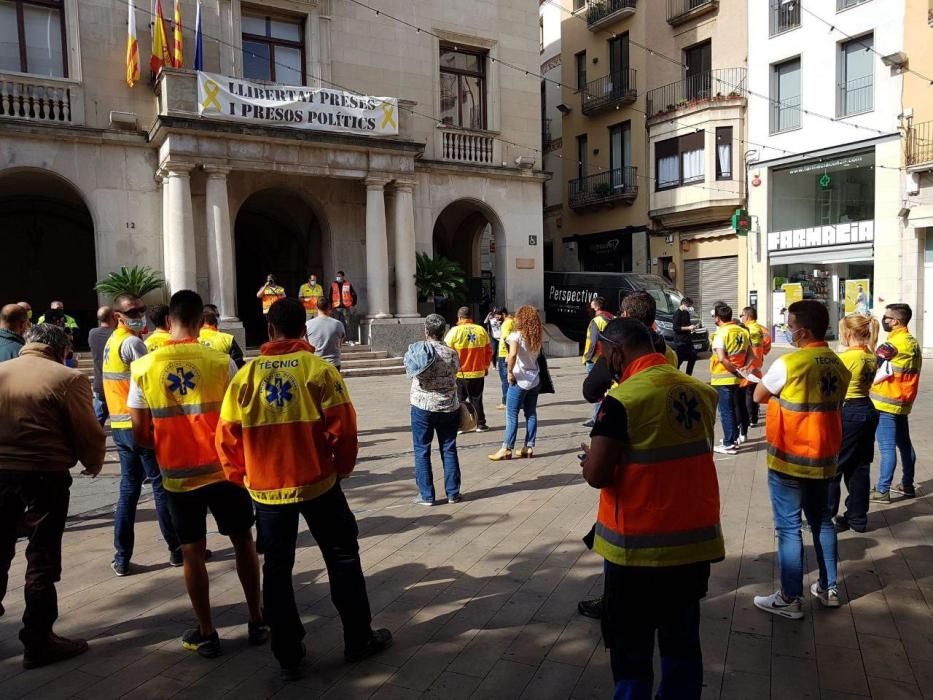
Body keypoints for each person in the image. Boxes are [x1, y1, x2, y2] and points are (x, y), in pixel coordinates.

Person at [217, 298, 391, 681]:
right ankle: (358, 639)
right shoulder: (319, 370)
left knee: (277, 572)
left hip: (266, 492)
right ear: (304, 329)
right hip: (318, 485)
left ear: (269, 330)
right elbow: (345, 429)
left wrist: (241, 477)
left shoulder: (245, 377)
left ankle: (288, 655)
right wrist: (341, 470)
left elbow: (225, 437)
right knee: (343, 557)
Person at [580, 317, 724, 699]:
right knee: (682, 643)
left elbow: (597, 475)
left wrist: (587, 462)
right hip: (693, 543)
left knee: (631, 650)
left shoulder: (623, 399)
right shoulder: (700, 390)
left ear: (616, 352)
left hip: (637, 549)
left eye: (603, 354)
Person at [128, 290, 267, 657]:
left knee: (192, 552)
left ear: (169, 319)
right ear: (201, 319)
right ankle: (257, 618)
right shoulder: (221, 361)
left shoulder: (144, 366)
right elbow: (241, 418)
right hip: (224, 472)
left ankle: (207, 630)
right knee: (244, 543)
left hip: (177, 476)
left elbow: (140, 434)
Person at [0, 324, 106, 669]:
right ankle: (38, 639)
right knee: (42, 558)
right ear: (62, 348)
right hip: (43, 475)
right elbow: (87, 429)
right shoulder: (67, 378)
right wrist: (92, 461)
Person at [753, 300, 849, 619]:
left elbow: (759, 396)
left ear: (803, 330)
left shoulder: (790, 363)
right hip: (824, 458)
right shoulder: (838, 363)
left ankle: (790, 598)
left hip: (790, 460)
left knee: (789, 527)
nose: (787, 329)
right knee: (822, 519)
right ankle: (829, 587)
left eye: (790, 324)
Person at [103, 293, 181, 575]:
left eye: (140, 310)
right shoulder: (133, 343)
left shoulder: (112, 342)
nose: (138, 316)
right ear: (118, 316)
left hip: (120, 426)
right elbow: (148, 384)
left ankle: (122, 557)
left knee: (128, 490)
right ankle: (176, 549)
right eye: (132, 312)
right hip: (139, 425)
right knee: (160, 488)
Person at [404, 314, 462, 506]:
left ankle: (427, 495)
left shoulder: (419, 351)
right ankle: (453, 493)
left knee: (422, 450)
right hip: (448, 406)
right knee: (449, 447)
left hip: (423, 406)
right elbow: (455, 373)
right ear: (443, 332)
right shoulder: (451, 353)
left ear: (426, 331)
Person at [581, 291, 676, 407]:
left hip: (626, 408)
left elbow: (591, 391)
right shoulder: (669, 352)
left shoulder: (617, 352)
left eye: (621, 313)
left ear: (626, 314)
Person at [831, 314, 880, 533]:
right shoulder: (870, 354)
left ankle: (827, 517)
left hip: (849, 411)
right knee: (860, 467)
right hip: (867, 409)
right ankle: (857, 518)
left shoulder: (847, 357)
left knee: (835, 467)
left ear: (848, 333)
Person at [869, 303, 922, 502]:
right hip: (903, 401)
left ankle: (882, 490)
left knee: (887, 447)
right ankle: (907, 484)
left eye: (887, 317)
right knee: (904, 444)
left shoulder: (893, 344)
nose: (885, 320)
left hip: (885, 403)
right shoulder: (912, 342)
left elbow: (872, 362)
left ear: (896, 321)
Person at [489, 305, 542, 461]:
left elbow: (512, 355)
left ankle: (506, 448)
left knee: (511, 414)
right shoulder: (536, 337)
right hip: (535, 378)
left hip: (519, 378)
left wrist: (510, 372)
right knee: (530, 413)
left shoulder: (516, 336)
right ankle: (529, 446)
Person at [710, 304, 750, 455]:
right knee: (732, 409)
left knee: (726, 411)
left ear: (718, 318)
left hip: (723, 378)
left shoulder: (721, 333)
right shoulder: (742, 331)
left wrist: (735, 371)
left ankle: (729, 444)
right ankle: (732, 439)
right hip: (737, 378)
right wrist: (743, 369)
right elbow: (751, 355)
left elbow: (721, 358)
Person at [445, 306, 493, 433]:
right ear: (470, 317)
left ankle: (460, 426)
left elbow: (446, 351)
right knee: (476, 399)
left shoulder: (454, 331)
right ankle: (480, 424)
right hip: (477, 372)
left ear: (459, 317)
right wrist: (485, 366)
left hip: (460, 373)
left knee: (459, 400)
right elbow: (489, 351)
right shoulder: (481, 330)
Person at [581, 297, 615, 428]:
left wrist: (587, 357)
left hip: (595, 359)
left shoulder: (596, 321)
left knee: (597, 391)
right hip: (608, 358)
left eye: (591, 304)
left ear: (596, 306)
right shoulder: (612, 318)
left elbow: (593, 342)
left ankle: (597, 419)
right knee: (608, 389)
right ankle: (602, 416)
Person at [738, 306, 771, 431]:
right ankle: (754, 418)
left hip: (746, 365)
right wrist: (760, 354)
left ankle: (749, 419)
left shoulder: (743, 330)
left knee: (746, 393)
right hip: (757, 364)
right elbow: (767, 348)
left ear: (747, 316)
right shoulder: (763, 329)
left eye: (742, 315)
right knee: (753, 391)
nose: (741, 318)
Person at [87, 306, 116, 426]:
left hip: (99, 383)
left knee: (98, 421)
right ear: (113, 317)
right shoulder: (116, 334)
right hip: (115, 385)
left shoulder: (92, 333)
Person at [305, 295, 346, 371]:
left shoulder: (308, 325)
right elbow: (340, 345)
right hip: (334, 364)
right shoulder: (338, 324)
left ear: (316, 307)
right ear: (329, 308)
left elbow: (307, 346)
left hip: (316, 364)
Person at [672, 296, 697, 375]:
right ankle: (675, 375)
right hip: (680, 341)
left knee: (693, 356)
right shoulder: (677, 313)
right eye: (689, 306)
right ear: (683, 304)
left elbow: (688, 325)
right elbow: (676, 328)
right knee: (679, 360)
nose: (690, 308)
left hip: (688, 340)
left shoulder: (686, 313)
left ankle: (688, 375)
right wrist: (688, 328)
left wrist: (692, 328)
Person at [495, 309, 514, 410]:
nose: (496, 318)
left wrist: (508, 353)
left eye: (497, 315)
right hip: (507, 353)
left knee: (505, 379)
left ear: (503, 314)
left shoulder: (506, 324)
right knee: (510, 379)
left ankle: (505, 402)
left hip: (504, 354)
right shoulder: (512, 321)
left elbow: (507, 339)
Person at [331, 270, 358, 336]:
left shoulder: (348, 284)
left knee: (347, 323)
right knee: (336, 323)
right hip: (336, 307)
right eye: (337, 276)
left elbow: (354, 294)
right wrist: (330, 306)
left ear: (343, 277)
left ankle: (347, 338)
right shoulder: (333, 284)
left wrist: (353, 304)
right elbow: (330, 295)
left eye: (340, 276)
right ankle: (338, 337)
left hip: (345, 307)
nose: (338, 277)